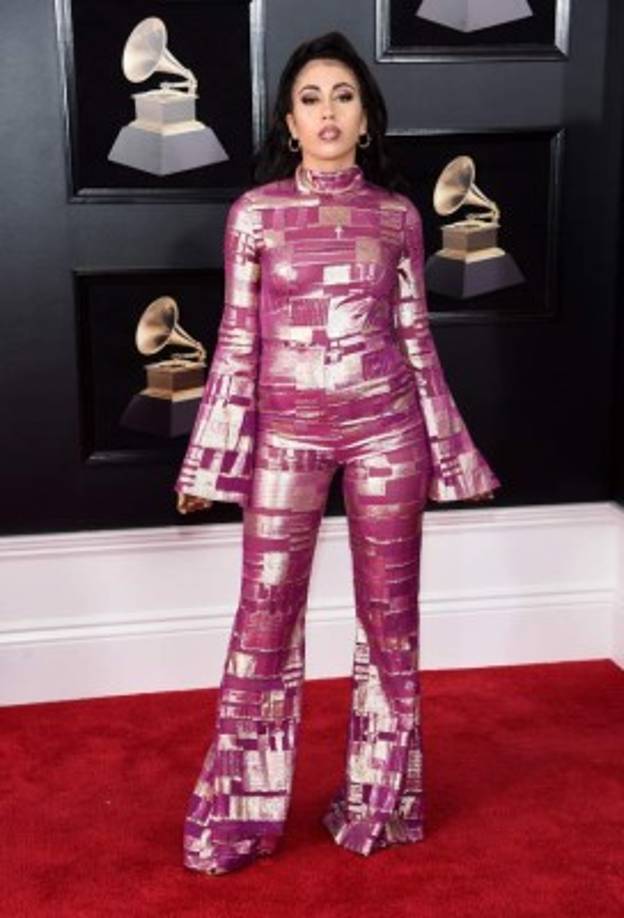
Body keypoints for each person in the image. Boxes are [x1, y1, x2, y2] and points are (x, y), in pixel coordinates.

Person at [174, 30, 502, 876]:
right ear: (290, 120)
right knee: (262, 621)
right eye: (312, 97)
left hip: (387, 433)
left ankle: (380, 805)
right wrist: (209, 462)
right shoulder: (255, 214)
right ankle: (238, 821)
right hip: (286, 437)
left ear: (365, 118)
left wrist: (449, 453)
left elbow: (416, 339)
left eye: (344, 96)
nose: (328, 111)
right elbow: (238, 341)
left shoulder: (396, 217)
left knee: (390, 623)